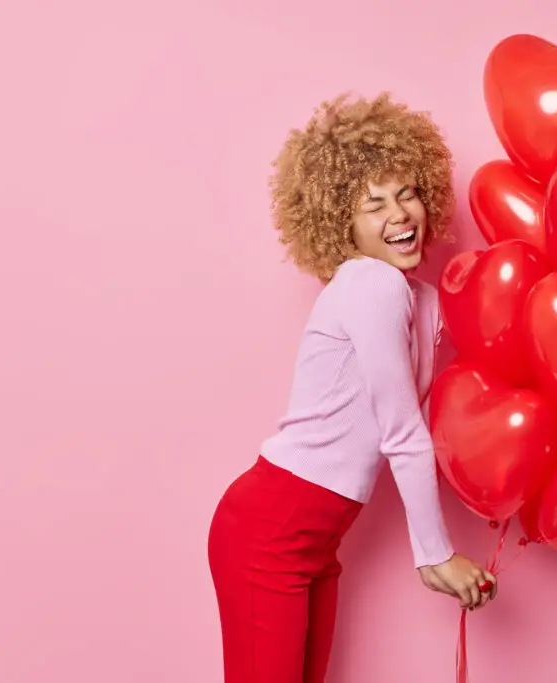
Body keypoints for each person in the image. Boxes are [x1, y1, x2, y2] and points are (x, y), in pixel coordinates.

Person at [207, 92, 497, 683]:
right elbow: (401, 430)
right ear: (343, 223)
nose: (400, 214)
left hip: (315, 537)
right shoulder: (369, 284)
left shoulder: (421, 298)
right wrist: (434, 554)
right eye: (374, 204)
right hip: (273, 528)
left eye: (407, 193)